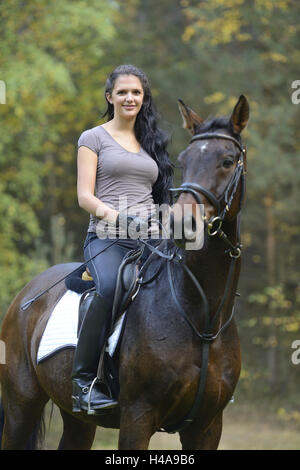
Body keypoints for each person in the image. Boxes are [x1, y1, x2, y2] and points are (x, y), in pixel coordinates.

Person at [72, 64, 174, 414]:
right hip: (106, 237)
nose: (130, 97)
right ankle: (83, 383)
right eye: (123, 92)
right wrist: (121, 219)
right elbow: (85, 197)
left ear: (143, 99)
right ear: (110, 97)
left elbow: (160, 197)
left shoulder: (151, 143)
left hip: (151, 241)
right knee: (110, 288)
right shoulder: (93, 137)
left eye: (136, 92)